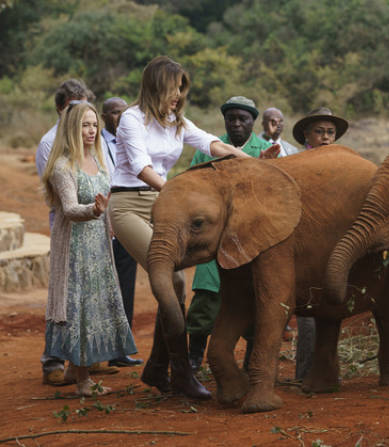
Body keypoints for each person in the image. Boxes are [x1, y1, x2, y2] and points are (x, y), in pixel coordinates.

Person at [109, 56, 252, 400]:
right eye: (174, 89)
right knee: (171, 278)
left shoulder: (176, 121)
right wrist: (175, 192)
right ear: (158, 85)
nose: (178, 97)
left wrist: (254, 163)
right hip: (128, 204)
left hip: (162, 205)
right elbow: (142, 166)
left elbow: (212, 144)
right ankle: (181, 373)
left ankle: (160, 368)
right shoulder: (131, 119)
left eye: (182, 90)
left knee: (175, 285)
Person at [41, 101, 137, 397]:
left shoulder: (98, 161)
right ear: (71, 128)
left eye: (94, 124)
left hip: (98, 247)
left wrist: (108, 220)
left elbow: (107, 201)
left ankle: (75, 370)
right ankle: (83, 383)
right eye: (85, 124)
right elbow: (69, 209)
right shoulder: (62, 166)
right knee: (78, 308)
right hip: (74, 249)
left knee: (94, 307)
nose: (92, 130)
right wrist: (95, 211)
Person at [187, 96, 279, 372]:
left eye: (243, 119)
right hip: (214, 234)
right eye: (231, 118)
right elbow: (191, 185)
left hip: (251, 233)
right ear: (225, 120)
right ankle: (193, 358)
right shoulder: (210, 147)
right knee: (206, 292)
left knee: (252, 293)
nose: (237, 123)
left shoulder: (267, 149)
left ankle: (253, 361)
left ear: (253, 121)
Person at [290, 106, 349, 381]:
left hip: (333, 249)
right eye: (319, 132)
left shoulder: (342, 167)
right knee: (306, 308)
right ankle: (304, 373)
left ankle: (326, 370)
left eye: (330, 133)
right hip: (302, 249)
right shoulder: (296, 165)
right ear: (306, 134)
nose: (326, 138)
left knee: (333, 307)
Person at [100, 97, 143, 367]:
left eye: (123, 113)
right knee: (102, 286)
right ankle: (96, 350)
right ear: (105, 116)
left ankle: (119, 349)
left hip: (127, 220)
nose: (119, 118)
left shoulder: (132, 140)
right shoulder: (96, 142)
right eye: (115, 113)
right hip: (102, 222)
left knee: (126, 285)